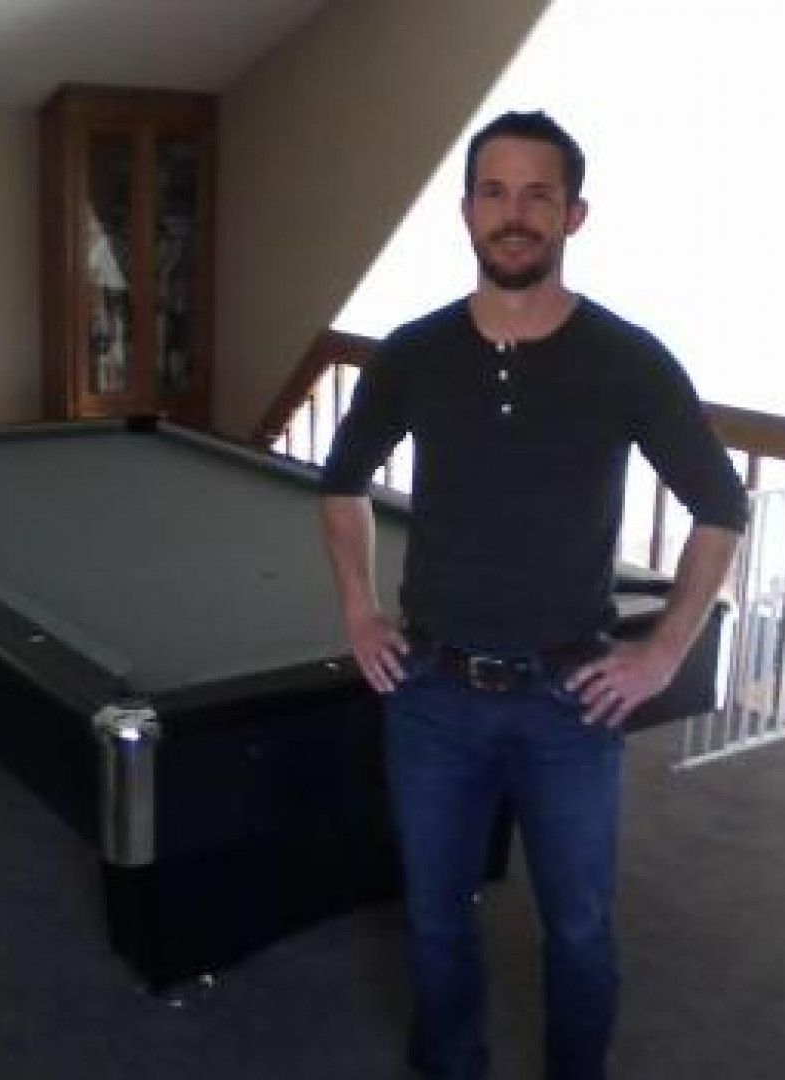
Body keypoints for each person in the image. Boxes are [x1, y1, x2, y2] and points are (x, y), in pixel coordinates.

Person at [318, 111, 749, 1080]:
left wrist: (666, 650)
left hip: (572, 701)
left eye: (538, 195)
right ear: (467, 211)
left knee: (583, 933)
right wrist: (357, 607)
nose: (514, 215)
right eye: (495, 193)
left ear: (574, 214)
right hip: (430, 694)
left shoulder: (628, 359)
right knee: (434, 922)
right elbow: (340, 482)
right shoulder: (414, 355)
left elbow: (721, 506)